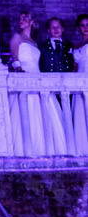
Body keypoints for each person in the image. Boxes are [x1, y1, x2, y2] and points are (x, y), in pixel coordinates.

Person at [8, 11, 68, 155]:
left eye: (25, 18)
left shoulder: (34, 42)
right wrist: (20, 70)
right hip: (26, 79)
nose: (21, 20)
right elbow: (15, 59)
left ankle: (47, 148)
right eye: (20, 18)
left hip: (38, 77)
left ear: (32, 22)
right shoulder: (17, 37)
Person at [72, 13, 88, 154]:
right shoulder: (76, 45)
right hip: (79, 81)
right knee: (81, 114)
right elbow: (75, 67)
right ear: (79, 28)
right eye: (82, 25)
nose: (85, 28)